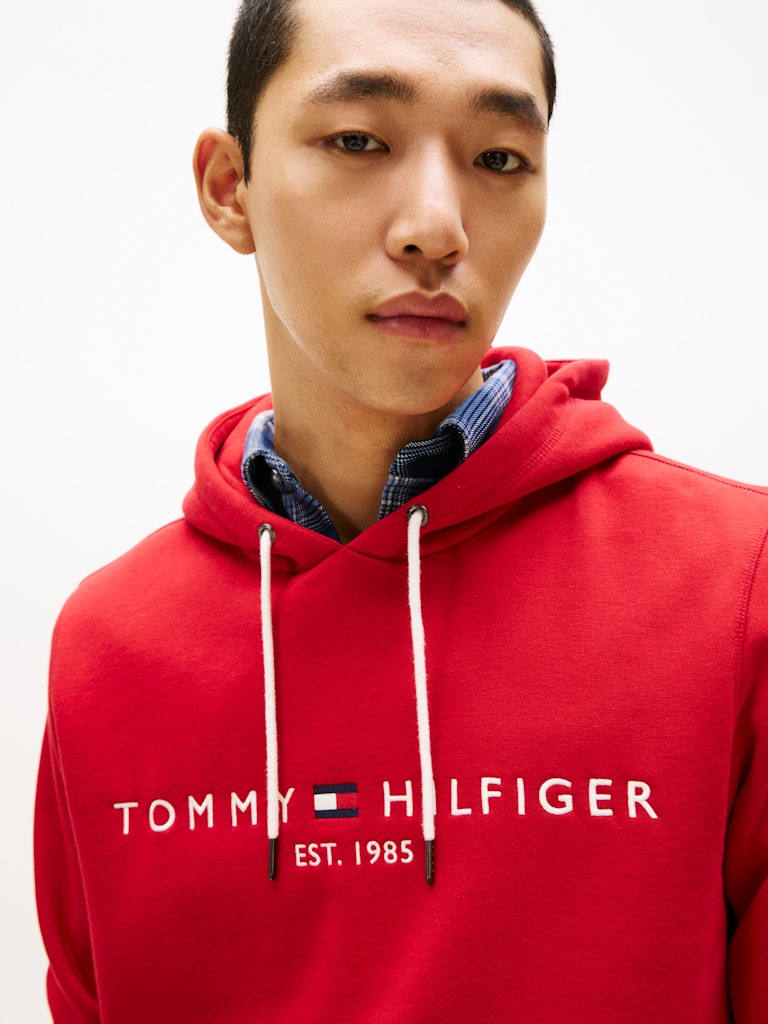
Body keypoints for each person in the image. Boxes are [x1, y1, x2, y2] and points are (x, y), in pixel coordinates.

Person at [34, 0, 768, 1020]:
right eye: (357, 140)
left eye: (499, 158)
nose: (436, 228)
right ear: (230, 188)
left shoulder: (738, 587)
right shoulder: (108, 651)